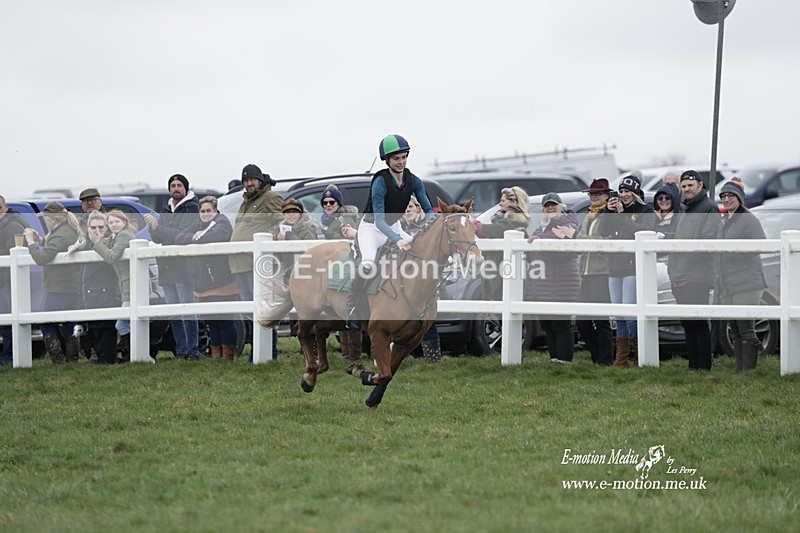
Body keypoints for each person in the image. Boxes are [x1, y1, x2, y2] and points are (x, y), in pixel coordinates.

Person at [345, 134, 434, 331]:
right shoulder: (380, 182)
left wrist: (428, 229)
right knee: (368, 264)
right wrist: (397, 240)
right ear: (387, 160)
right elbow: (379, 220)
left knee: (420, 251)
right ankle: (352, 305)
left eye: (403, 157)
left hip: (393, 226)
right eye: (396, 158)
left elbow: (429, 210)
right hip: (371, 228)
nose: (401, 162)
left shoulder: (414, 180)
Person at [228, 163, 283, 361]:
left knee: (264, 308)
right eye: (246, 180)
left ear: (260, 180)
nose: (249, 183)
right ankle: (257, 349)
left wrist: (268, 236)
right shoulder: (245, 202)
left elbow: (282, 222)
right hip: (240, 265)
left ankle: (269, 351)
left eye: (252, 179)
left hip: (258, 264)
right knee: (251, 311)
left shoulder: (270, 198)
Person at [667, 170, 721, 371]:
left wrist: (684, 262)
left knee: (698, 322)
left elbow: (708, 242)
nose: (687, 189)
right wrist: (674, 267)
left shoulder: (709, 208)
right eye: (684, 186)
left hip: (697, 276)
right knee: (687, 323)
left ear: (700, 185)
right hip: (679, 274)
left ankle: (704, 365)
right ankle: (693, 365)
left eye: (690, 185)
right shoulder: (683, 209)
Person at [144, 174, 201, 360]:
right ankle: (181, 350)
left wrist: (158, 227)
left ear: (185, 188)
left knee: (187, 309)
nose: (176, 188)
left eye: (179, 185)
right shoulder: (166, 208)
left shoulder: (192, 207)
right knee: (174, 311)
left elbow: (180, 235)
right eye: (173, 185)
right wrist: (153, 228)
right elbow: (159, 238)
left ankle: (192, 350)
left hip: (183, 265)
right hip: (167, 265)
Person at [558, 178, 614, 366]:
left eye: (598, 194)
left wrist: (574, 235)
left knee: (601, 319)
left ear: (606, 196)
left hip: (601, 272)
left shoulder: (608, 215)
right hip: (586, 272)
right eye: (592, 194)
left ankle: (605, 360)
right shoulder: (589, 215)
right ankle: (597, 356)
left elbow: (601, 241)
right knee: (582, 319)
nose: (594, 197)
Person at [176, 196, 238, 361]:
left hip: (222, 281)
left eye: (208, 210)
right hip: (204, 282)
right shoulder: (197, 224)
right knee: (212, 322)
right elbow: (178, 237)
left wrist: (198, 237)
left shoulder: (223, 223)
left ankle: (228, 357)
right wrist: (192, 237)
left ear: (216, 210)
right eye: (202, 211)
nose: (205, 214)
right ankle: (217, 357)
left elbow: (213, 237)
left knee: (225, 321)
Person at [715, 178, 767, 372]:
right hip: (728, 282)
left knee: (746, 328)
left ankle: (749, 370)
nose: (727, 199)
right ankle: (740, 369)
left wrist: (734, 251)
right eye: (724, 196)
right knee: (735, 328)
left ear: (739, 198)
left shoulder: (749, 219)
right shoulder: (724, 220)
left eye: (730, 196)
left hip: (747, 282)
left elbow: (759, 244)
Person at [603, 174, 654, 366]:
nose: (623, 195)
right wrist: (608, 212)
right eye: (621, 191)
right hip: (614, 267)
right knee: (619, 313)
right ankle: (621, 359)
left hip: (633, 267)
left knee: (631, 313)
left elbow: (641, 231)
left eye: (627, 191)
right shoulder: (614, 210)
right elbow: (602, 231)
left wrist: (622, 215)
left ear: (635, 193)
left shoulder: (645, 210)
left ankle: (639, 355)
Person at [23, 202, 82, 364]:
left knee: (46, 321)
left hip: (58, 286)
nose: (45, 221)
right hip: (71, 285)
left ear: (53, 220)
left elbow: (42, 258)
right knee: (69, 322)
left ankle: (58, 359)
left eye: (46, 218)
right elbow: (54, 248)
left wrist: (30, 242)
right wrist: (40, 240)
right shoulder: (66, 231)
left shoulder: (59, 235)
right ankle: (72, 358)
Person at [525, 193, 581, 363]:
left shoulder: (567, 221)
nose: (550, 208)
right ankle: (554, 359)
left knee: (560, 324)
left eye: (553, 205)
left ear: (560, 206)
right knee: (547, 325)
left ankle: (564, 359)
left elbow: (562, 236)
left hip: (562, 281)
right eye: (547, 205)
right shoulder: (541, 227)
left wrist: (538, 239)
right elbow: (532, 248)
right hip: (545, 283)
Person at [317, 185, 363, 362]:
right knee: (340, 312)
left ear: (339, 203)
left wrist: (328, 233)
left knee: (347, 308)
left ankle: (352, 355)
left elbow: (347, 242)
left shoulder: (344, 219)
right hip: (335, 268)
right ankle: (348, 354)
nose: (328, 205)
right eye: (325, 202)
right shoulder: (329, 220)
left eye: (332, 202)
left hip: (346, 267)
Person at [76, 187, 118, 364]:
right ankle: (95, 354)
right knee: (91, 319)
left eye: (93, 200)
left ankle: (107, 356)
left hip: (105, 275)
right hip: (86, 276)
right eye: (86, 201)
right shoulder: (79, 224)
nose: (89, 204)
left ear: (100, 201)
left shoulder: (109, 220)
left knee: (105, 319)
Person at [89, 210, 136, 363]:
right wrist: (99, 241)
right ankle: (133, 356)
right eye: (111, 222)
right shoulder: (116, 236)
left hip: (132, 286)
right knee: (128, 323)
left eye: (117, 221)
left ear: (124, 222)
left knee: (121, 324)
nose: (114, 225)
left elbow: (111, 257)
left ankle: (134, 355)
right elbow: (107, 248)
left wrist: (96, 243)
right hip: (127, 287)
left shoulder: (124, 235)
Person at [401, 196, 442, 364]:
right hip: (403, 280)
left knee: (426, 318)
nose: (407, 210)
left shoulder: (426, 228)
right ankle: (403, 355)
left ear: (418, 208)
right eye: (404, 207)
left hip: (424, 280)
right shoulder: (398, 228)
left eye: (410, 206)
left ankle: (433, 358)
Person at [0, 195, 28, 365]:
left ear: (5, 206)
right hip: (4, 281)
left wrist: (7, 282)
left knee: (9, 320)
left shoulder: (12, 226)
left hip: (7, 282)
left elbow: (13, 256)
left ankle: (9, 356)